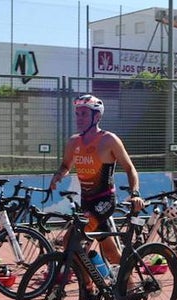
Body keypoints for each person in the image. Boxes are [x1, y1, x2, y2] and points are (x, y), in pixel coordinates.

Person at [48, 94, 143, 282]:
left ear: (97, 116)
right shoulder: (73, 142)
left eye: (84, 114)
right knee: (111, 253)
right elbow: (66, 166)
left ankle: (89, 288)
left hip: (104, 201)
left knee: (70, 241)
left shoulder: (109, 140)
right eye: (77, 114)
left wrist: (135, 193)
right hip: (86, 202)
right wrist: (58, 175)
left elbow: (130, 168)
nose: (79, 118)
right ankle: (130, 288)